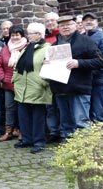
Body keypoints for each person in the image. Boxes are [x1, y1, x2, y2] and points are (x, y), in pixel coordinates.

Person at [48, 15, 103, 141]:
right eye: (62, 25)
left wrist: (79, 63)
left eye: (68, 24)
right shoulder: (54, 45)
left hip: (79, 88)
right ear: (58, 28)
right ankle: (67, 149)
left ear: (75, 25)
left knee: (81, 122)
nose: (65, 27)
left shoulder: (86, 41)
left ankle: (85, 149)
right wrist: (47, 64)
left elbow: (101, 61)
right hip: (60, 89)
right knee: (65, 123)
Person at [12, 23, 52, 154]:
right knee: (23, 116)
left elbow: (51, 69)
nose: (27, 36)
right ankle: (27, 139)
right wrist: (15, 80)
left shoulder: (47, 49)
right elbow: (18, 65)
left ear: (39, 35)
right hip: (22, 88)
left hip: (37, 88)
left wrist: (43, 82)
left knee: (38, 117)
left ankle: (38, 142)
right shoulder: (27, 48)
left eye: (30, 33)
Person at [0, 25, 27, 142]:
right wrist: (2, 78)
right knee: (9, 108)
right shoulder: (5, 49)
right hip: (8, 84)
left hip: (23, 85)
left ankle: (22, 131)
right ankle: (8, 131)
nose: (14, 37)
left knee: (22, 109)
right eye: (12, 35)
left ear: (22, 36)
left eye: (17, 35)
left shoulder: (27, 48)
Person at [83, 12, 103, 123]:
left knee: (100, 108)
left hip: (98, 80)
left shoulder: (102, 36)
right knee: (91, 107)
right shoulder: (84, 37)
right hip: (87, 80)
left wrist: (92, 73)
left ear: (97, 22)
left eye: (91, 20)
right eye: (86, 20)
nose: (88, 22)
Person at [43, 12, 61, 143]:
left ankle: (62, 131)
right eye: (47, 21)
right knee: (49, 107)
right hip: (47, 77)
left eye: (52, 20)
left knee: (61, 106)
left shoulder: (62, 36)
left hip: (60, 76)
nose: (50, 23)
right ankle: (53, 131)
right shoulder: (44, 37)